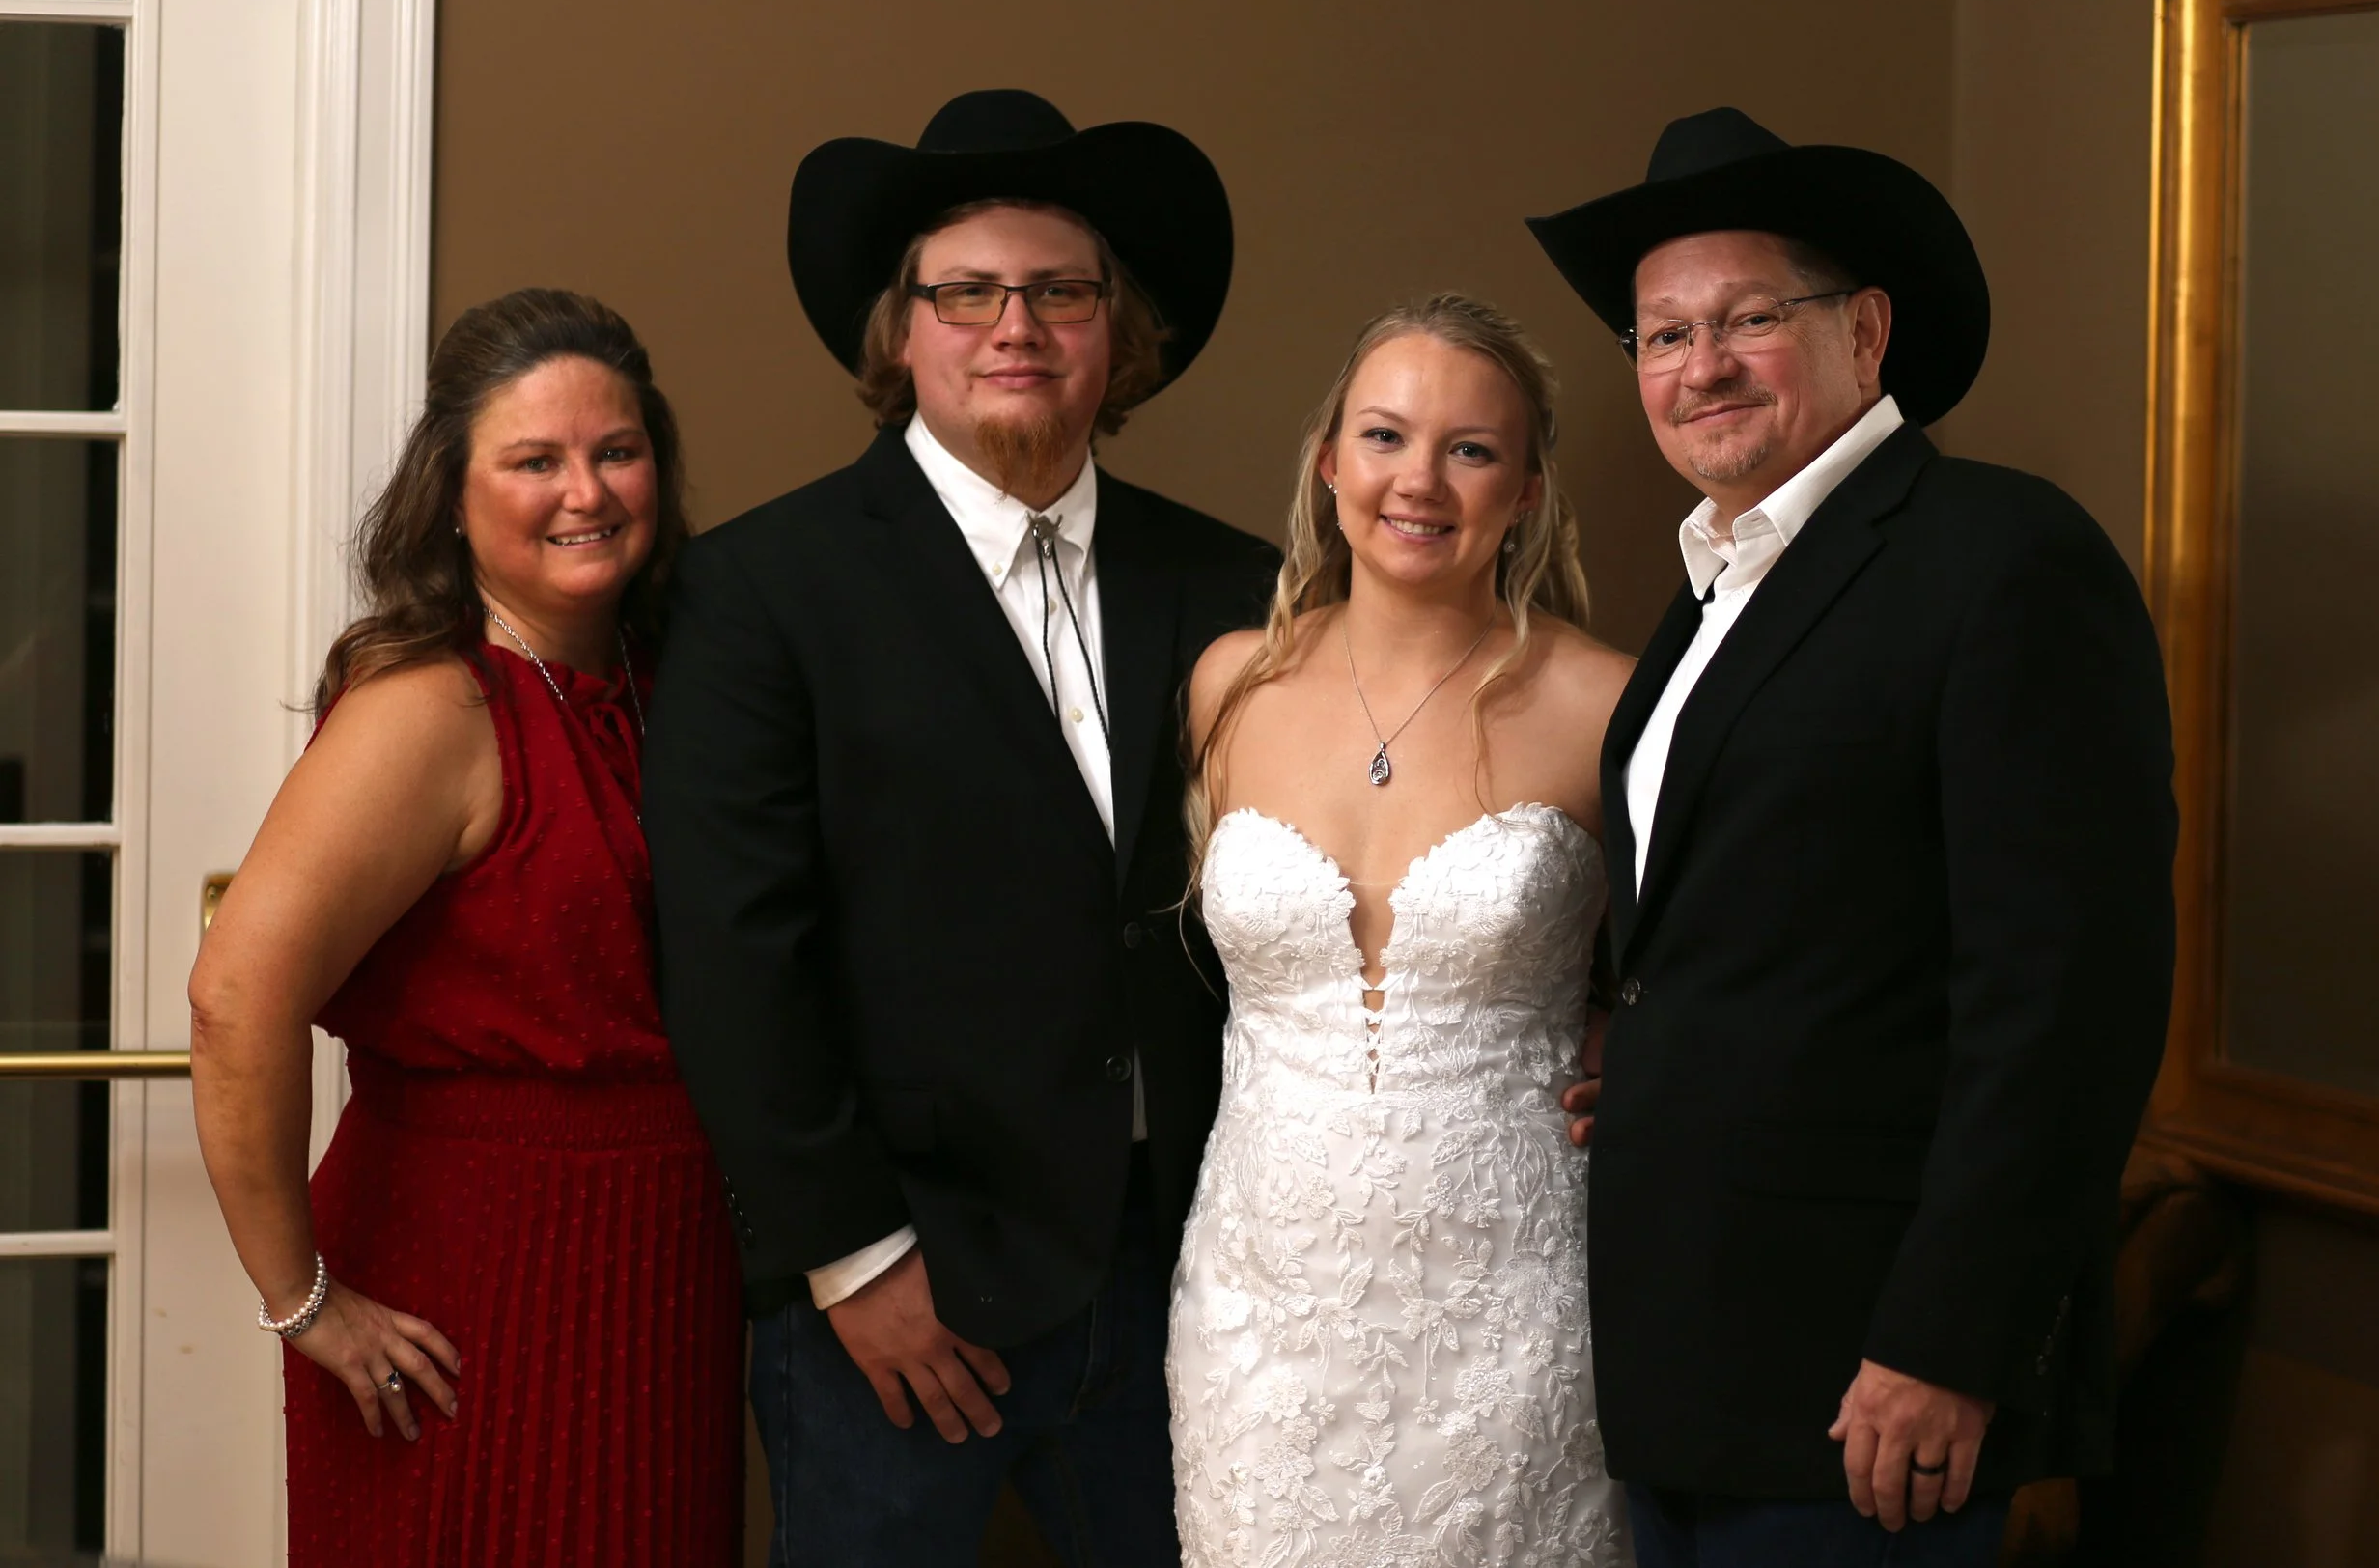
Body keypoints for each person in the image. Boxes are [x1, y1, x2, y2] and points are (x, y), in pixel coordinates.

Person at [1525, 108, 2177, 1567]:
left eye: (1750, 318)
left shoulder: (2004, 561)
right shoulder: (1708, 594)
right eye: (1661, 335)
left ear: (1867, 332)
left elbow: (2070, 999)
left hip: (1872, 1382)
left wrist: (1953, 1338)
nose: (1701, 366)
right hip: (1686, 1360)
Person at [643, 90, 1277, 1566]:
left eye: (1061, 292)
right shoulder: (762, 592)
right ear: (901, 330)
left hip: (1194, 1259)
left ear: (1116, 333)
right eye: (968, 293)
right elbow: (738, 954)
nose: (1017, 327)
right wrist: (853, 1257)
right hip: (905, 1273)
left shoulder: (1238, 580)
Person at [187, 289, 743, 1566]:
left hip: (659, 1274)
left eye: (616, 450)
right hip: (468, 1276)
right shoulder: (430, 708)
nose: (585, 491)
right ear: (451, 492)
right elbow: (234, 997)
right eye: (533, 460)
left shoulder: (669, 685)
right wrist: (302, 1300)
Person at [1173, 292, 1637, 1568]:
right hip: (1262, 1308)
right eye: (1384, 437)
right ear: (1330, 463)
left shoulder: (1609, 704)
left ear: (1529, 486)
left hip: (1517, 1296)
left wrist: (1637, 1038)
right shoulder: (1231, 683)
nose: (1419, 480)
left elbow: (1707, 963)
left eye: (1471, 449)